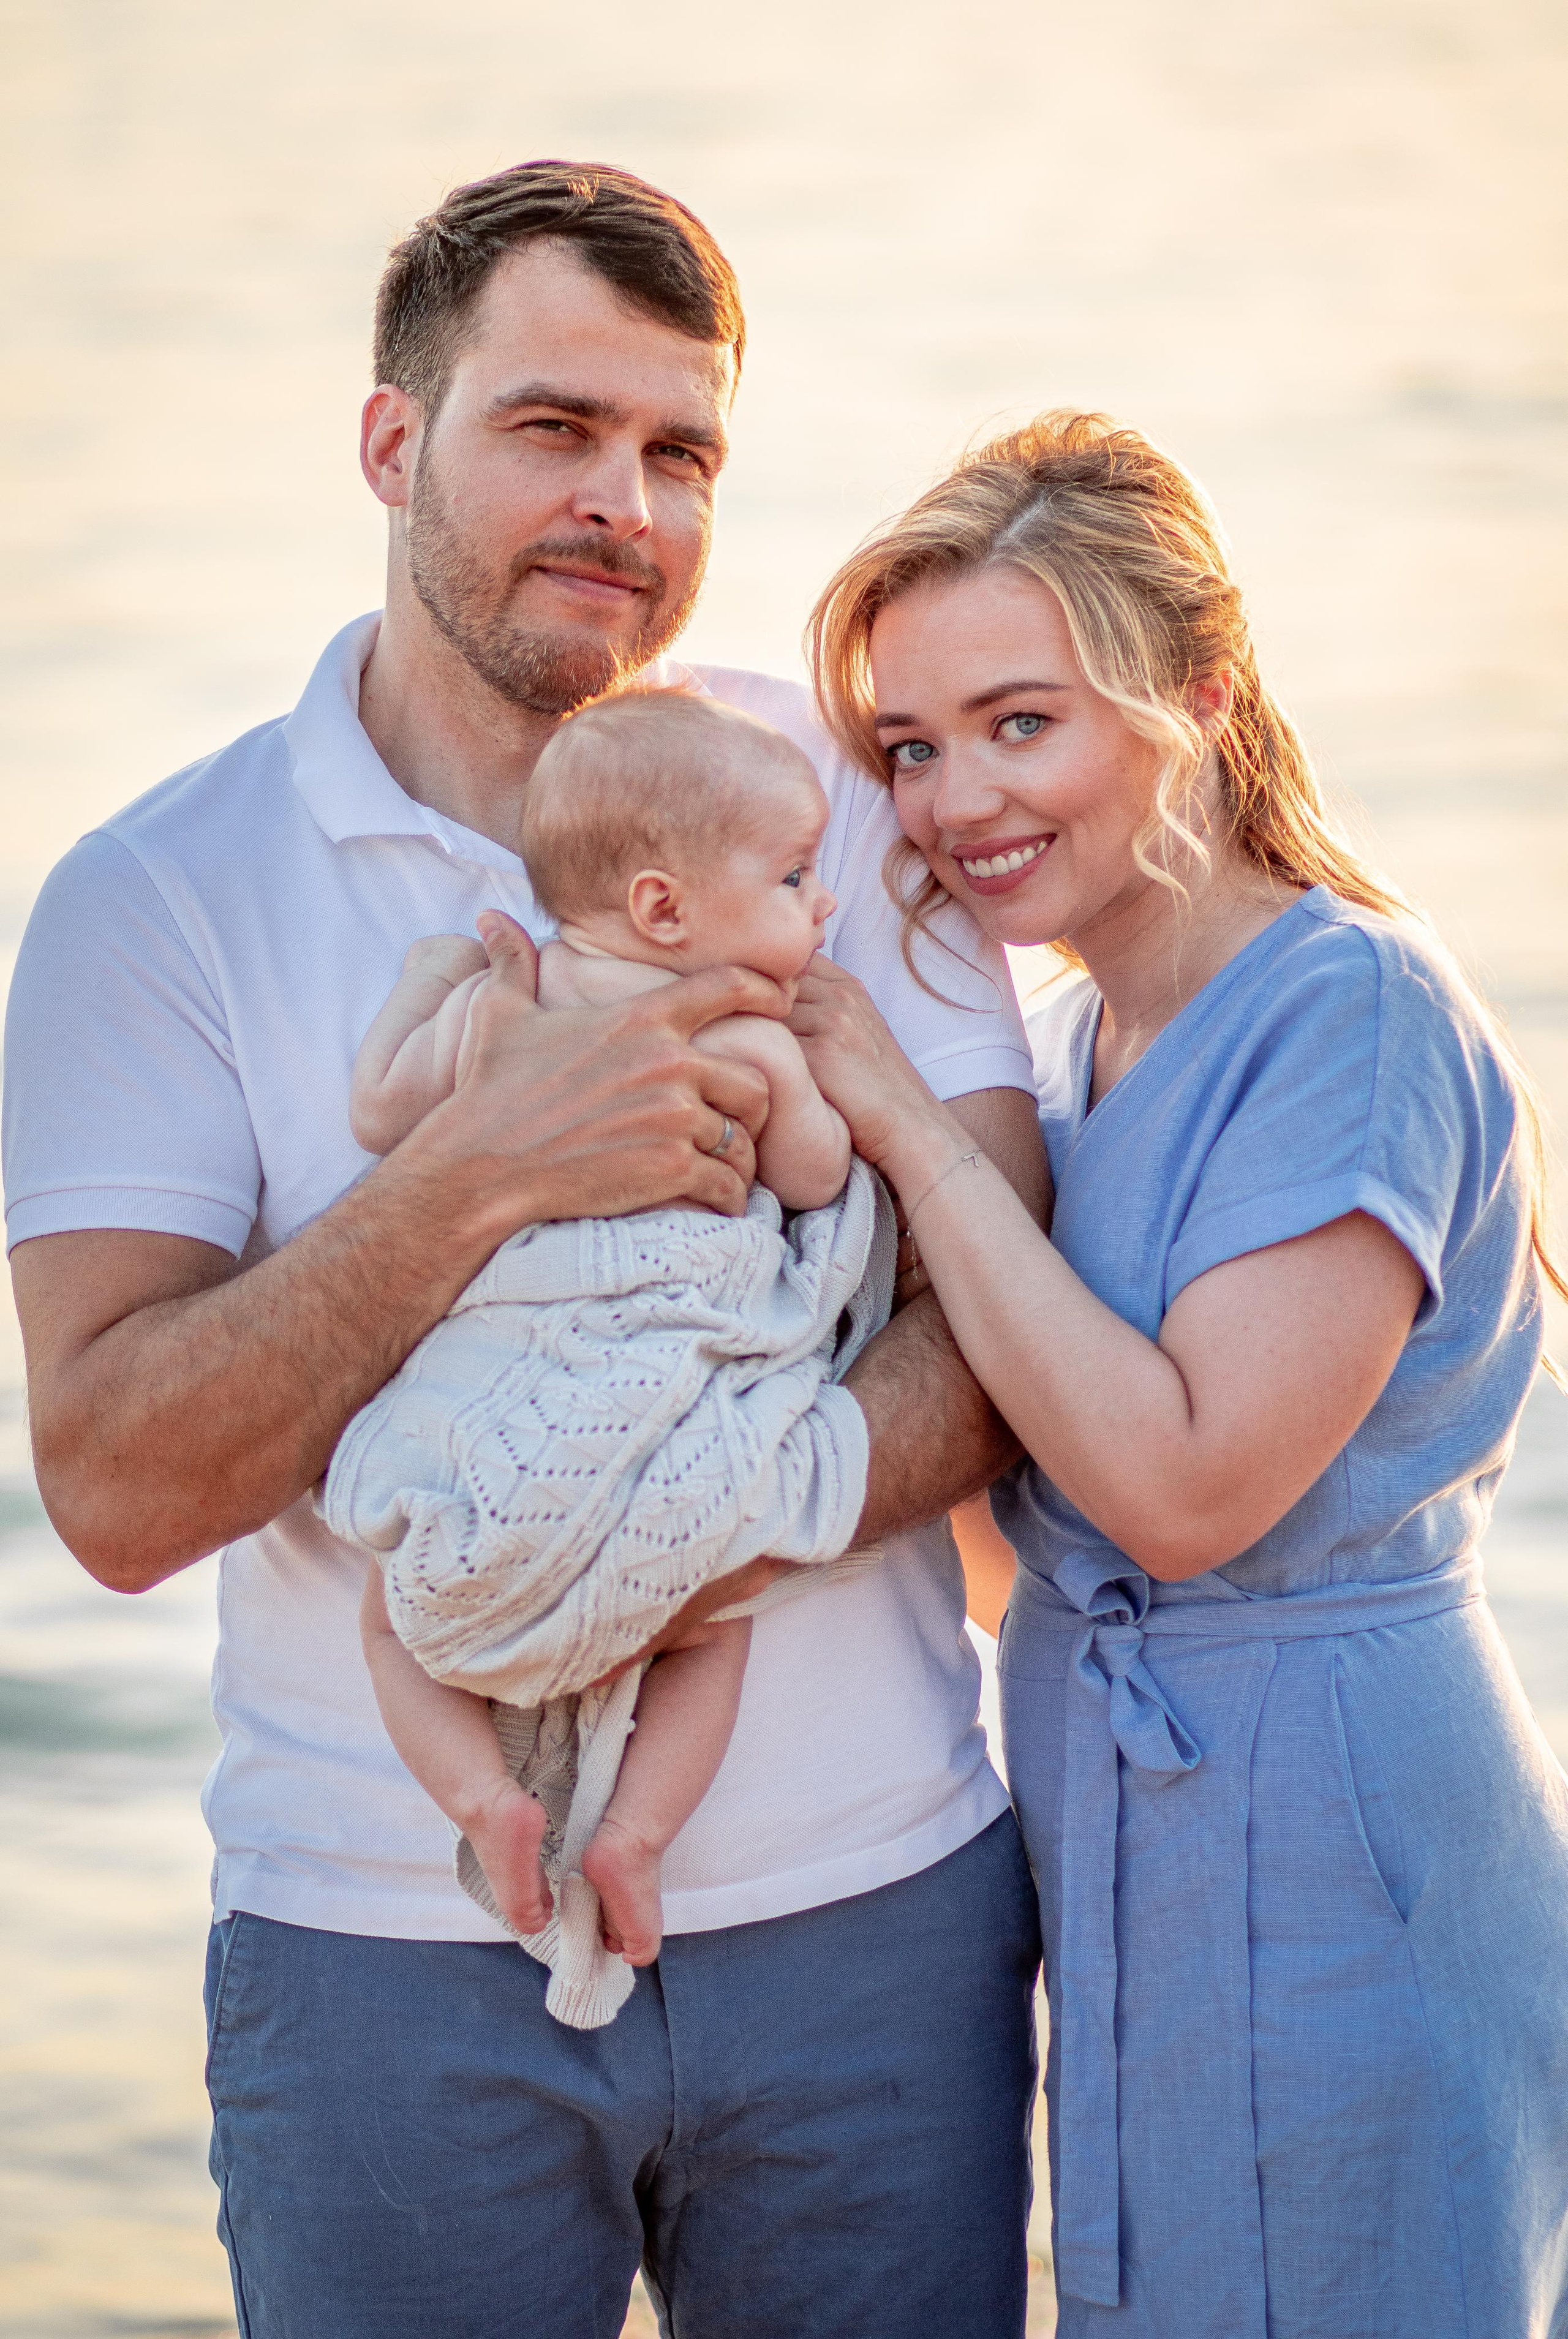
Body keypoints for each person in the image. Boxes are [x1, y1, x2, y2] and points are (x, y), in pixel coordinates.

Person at [1, 167, 1046, 2339]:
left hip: (875, 1920)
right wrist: (478, 1172)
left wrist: (693, 1523)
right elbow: (111, 1482)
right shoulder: (155, 899)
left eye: (682, 452)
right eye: (554, 428)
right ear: (394, 442)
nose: (624, 506)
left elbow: (1003, 1303)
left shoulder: (844, 808)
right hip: (382, 1963)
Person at [792, 408, 1568, 2339]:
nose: (954, 800)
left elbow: (1186, 1491)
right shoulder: (1067, 1052)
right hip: (1132, 1842)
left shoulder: (1349, 1008)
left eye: (1021, 722)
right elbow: (1031, 1537)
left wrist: (905, 1121)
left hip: (1345, 1853)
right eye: (912, 746)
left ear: (1198, 695)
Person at [348, 685, 868, 2002]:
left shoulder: (506, 1004)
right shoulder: (744, 1034)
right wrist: (822, 1093)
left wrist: (430, 985)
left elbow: (380, 1112)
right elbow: (814, 1178)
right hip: (661, 1402)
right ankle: (632, 1835)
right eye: (794, 876)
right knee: (715, 1619)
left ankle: (484, 1798)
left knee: (395, 1608)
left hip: (508, 1384)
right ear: (663, 911)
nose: (823, 902)